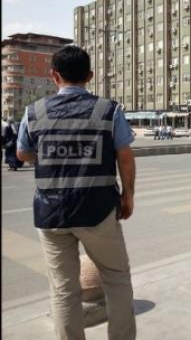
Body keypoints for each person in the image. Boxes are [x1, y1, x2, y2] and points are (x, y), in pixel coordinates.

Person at [16, 45, 136, 340]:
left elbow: (22, 153)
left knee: (63, 290)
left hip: (51, 214)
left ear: (54, 76)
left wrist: (50, 154)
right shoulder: (108, 110)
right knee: (117, 280)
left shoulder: (34, 112)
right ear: (90, 76)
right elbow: (125, 157)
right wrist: (128, 195)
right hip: (99, 211)